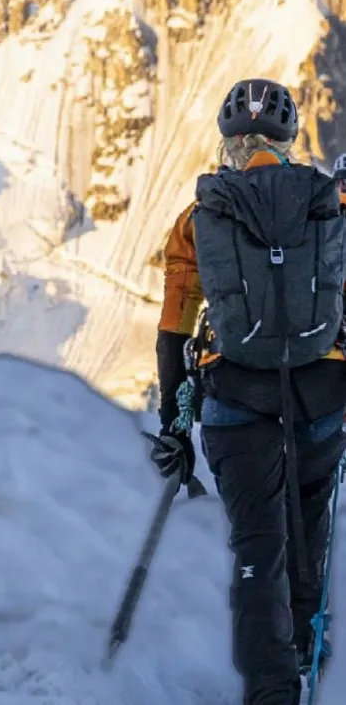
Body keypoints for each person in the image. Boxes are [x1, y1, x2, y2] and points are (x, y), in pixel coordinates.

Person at [150, 79, 346, 705]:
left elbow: (174, 327)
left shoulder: (199, 215)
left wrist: (174, 422)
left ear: (227, 143)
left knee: (258, 547)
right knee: (307, 535)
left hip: (235, 400)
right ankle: (311, 651)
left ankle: (272, 691)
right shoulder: (327, 203)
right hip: (322, 393)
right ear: (289, 140)